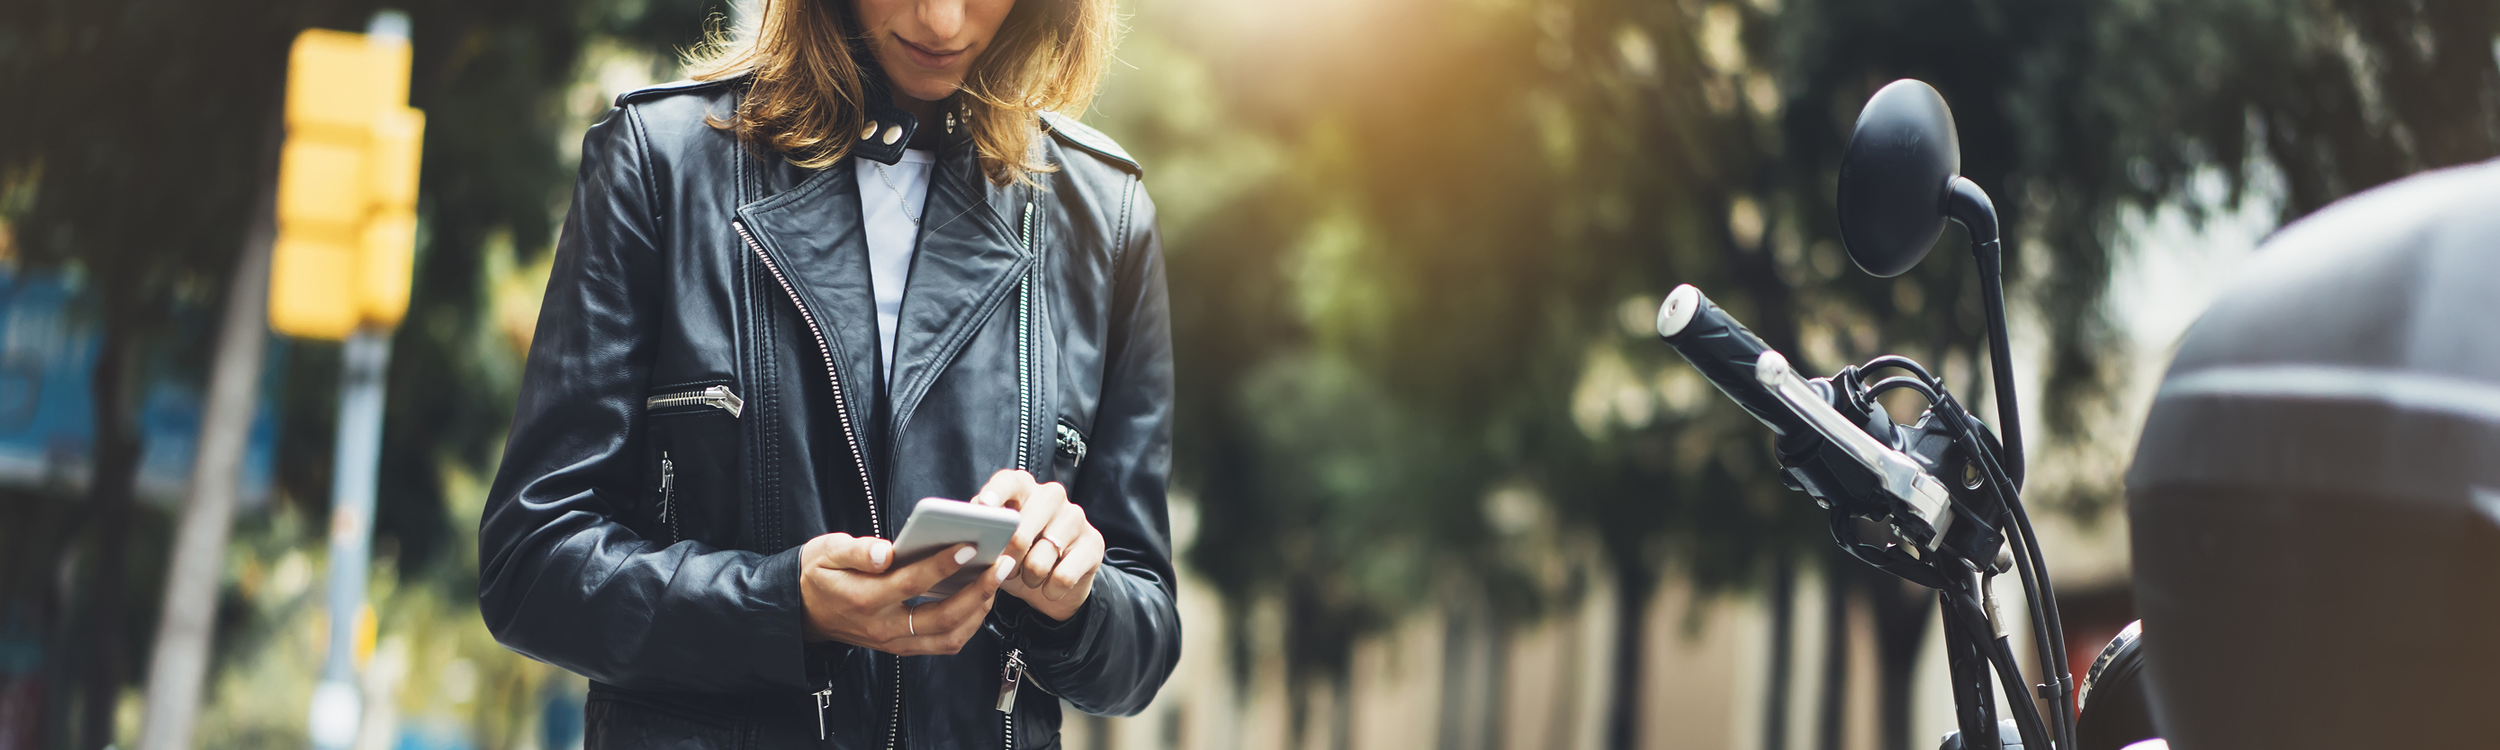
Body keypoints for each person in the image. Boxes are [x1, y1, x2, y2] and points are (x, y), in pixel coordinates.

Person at [475, 0, 1181, 745]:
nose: (941, 22)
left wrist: (1075, 593)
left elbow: (1145, 641)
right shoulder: (659, 163)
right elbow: (532, 566)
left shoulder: (1108, 218)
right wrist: (782, 607)